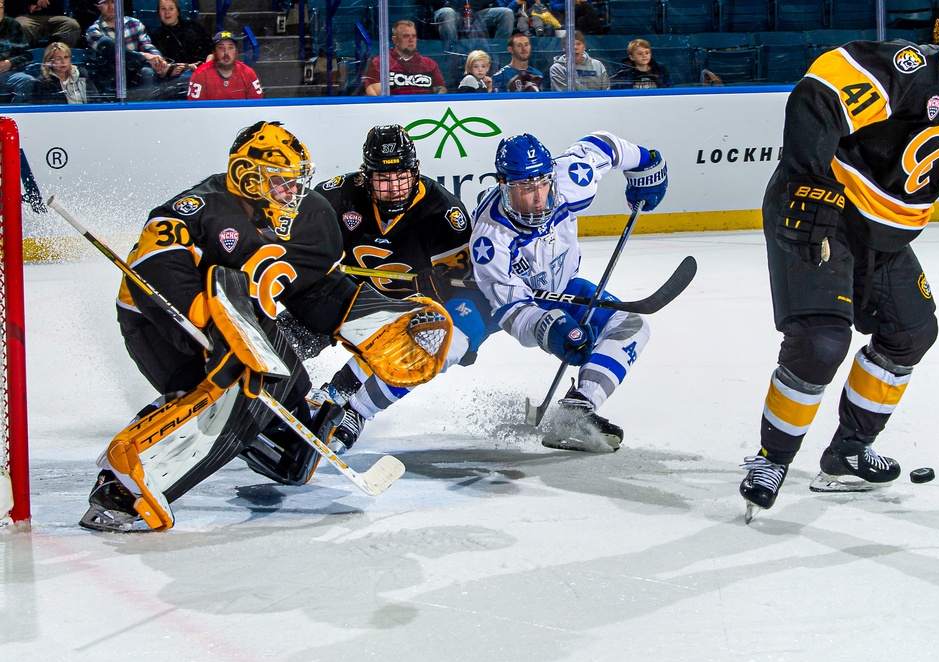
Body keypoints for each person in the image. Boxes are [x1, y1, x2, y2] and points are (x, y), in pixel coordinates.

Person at [79, 121, 452, 532]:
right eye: (282, 183)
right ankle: (118, 485)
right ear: (248, 176)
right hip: (160, 322)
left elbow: (321, 291)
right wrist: (214, 325)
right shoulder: (198, 208)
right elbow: (153, 270)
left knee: (296, 450)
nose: (293, 192)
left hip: (249, 328)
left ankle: (259, 433)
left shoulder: (311, 216)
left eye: (297, 182)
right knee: (227, 389)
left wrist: (374, 318)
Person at [739, 1, 939, 521]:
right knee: (821, 341)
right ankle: (772, 458)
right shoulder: (912, 69)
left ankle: (848, 452)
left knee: (912, 332)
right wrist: (808, 183)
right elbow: (821, 93)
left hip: (885, 237)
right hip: (826, 209)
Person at [470, 132, 667, 450]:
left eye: (542, 184)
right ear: (504, 186)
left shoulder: (571, 178)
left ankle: (576, 411)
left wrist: (646, 162)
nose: (537, 197)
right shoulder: (490, 238)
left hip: (564, 287)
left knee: (632, 326)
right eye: (524, 188)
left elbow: (603, 146)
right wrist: (548, 329)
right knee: (457, 343)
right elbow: (511, 311)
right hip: (514, 302)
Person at [304, 125, 497, 451]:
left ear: (416, 171)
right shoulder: (339, 195)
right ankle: (266, 372)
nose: (393, 187)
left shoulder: (442, 213)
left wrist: (439, 285)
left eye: (402, 177)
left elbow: (467, 287)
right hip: (347, 294)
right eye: (383, 178)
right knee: (305, 312)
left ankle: (340, 395)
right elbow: (292, 236)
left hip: (405, 310)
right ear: (366, 176)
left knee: (401, 332)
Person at [85, 0, 168, 93]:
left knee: (147, 73)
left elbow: (147, 46)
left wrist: (158, 60)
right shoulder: (93, 31)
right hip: (111, 76)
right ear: (98, 6)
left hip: (135, 72)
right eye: (105, 2)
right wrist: (143, 57)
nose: (110, 6)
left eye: (113, 2)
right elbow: (115, 55)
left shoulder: (135, 24)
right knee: (106, 42)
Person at [362, 20, 446, 95]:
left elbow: (441, 90)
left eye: (413, 36)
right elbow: (375, 94)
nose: (411, 40)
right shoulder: (380, 62)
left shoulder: (429, 64)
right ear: (395, 40)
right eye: (406, 36)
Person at [187, 30, 263, 100]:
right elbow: (195, 110)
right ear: (214, 52)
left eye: (230, 48)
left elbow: (257, 107)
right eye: (221, 48)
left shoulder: (248, 74)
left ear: (236, 51)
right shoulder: (200, 74)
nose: (226, 52)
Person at [150, 0, 212, 74]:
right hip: (179, 74)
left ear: (178, 12)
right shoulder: (155, 36)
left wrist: (206, 65)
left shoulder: (194, 26)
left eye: (171, 8)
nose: (167, 12)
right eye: (163, 9)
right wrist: (186, 67)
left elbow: (211, 48)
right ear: (159, 13)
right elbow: (161, 63)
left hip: (204, 68)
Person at [429, 0, 514, 44]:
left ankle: (499, 51)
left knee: (507, 13)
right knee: (447, 12)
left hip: (475, 13)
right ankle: (452, 53)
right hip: (451, 13)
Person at [0, 2, 35, 103]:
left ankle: (18, 115)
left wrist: (10, 63)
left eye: (0, 7)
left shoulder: (12, 25)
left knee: (26, 80)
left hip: (6, 75)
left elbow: (27, 55)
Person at [8, 0, 80, 48]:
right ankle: (22, 57)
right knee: (21, 25)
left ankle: (62, 56)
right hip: (26, 15)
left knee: (72, 25)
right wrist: (33, 2)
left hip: (54, 15)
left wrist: (45, 2)